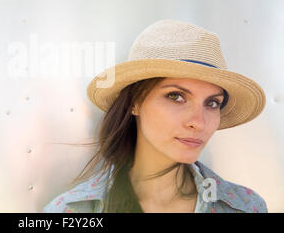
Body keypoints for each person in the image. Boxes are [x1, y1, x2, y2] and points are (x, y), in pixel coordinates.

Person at [43, 19, 268, 213]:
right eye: (176, 96)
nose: (198, 122)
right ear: (135, 102)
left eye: (212, 103)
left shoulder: (245, 206)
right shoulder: (73, 211)